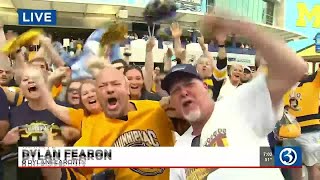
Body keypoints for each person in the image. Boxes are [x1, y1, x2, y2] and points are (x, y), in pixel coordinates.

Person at [164, 10, 308, 179]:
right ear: (172, 102)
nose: (183, 92)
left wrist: (242, 27)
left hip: (270, 142)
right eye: (175, 90)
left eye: (189, 84)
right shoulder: (179, 150)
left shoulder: (238, 102)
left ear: (205, 87)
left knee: (291, 159)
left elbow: (294, 68)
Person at [43, 66, 175, 180]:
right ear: (98, 96)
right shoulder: (91, 129)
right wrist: (52, 154)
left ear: (127, 89)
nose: (109, 89)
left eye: (116, 84)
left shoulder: (157, 109)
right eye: (102, 86)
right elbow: (64, 173)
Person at [3, 66, 66, 180]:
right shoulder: (13, 113)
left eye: (36, 78)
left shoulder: (63, 109)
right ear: (20, 88)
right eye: (25, 79)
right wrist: (5, 143)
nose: (31, 81)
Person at [282, 68, 320, 180]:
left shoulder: (313, 81)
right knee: (293, 166)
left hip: (310, 131)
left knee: (313, 166)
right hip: (288, 134)